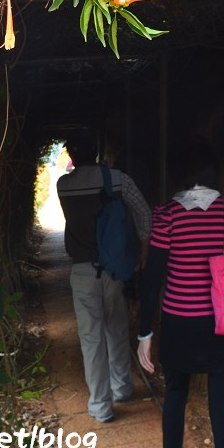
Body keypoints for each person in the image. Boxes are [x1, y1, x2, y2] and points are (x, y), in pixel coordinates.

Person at [137, 142, 224, 448]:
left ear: (178, 173)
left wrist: (145, 333)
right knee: (223, 413)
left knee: (175, 399)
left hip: (179, 327)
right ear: (212, 171)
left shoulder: (166, 216)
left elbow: (153, 280)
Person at [57, 128, 152, 423]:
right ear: (97, 151)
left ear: (72, 154)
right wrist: (143, 251)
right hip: (114, 268)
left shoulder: (63, 185)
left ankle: (100, 405)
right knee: (116, 327)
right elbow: (144, 214)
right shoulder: (119, 180)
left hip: (83, 271)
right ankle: (122, 387)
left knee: (91, 339)